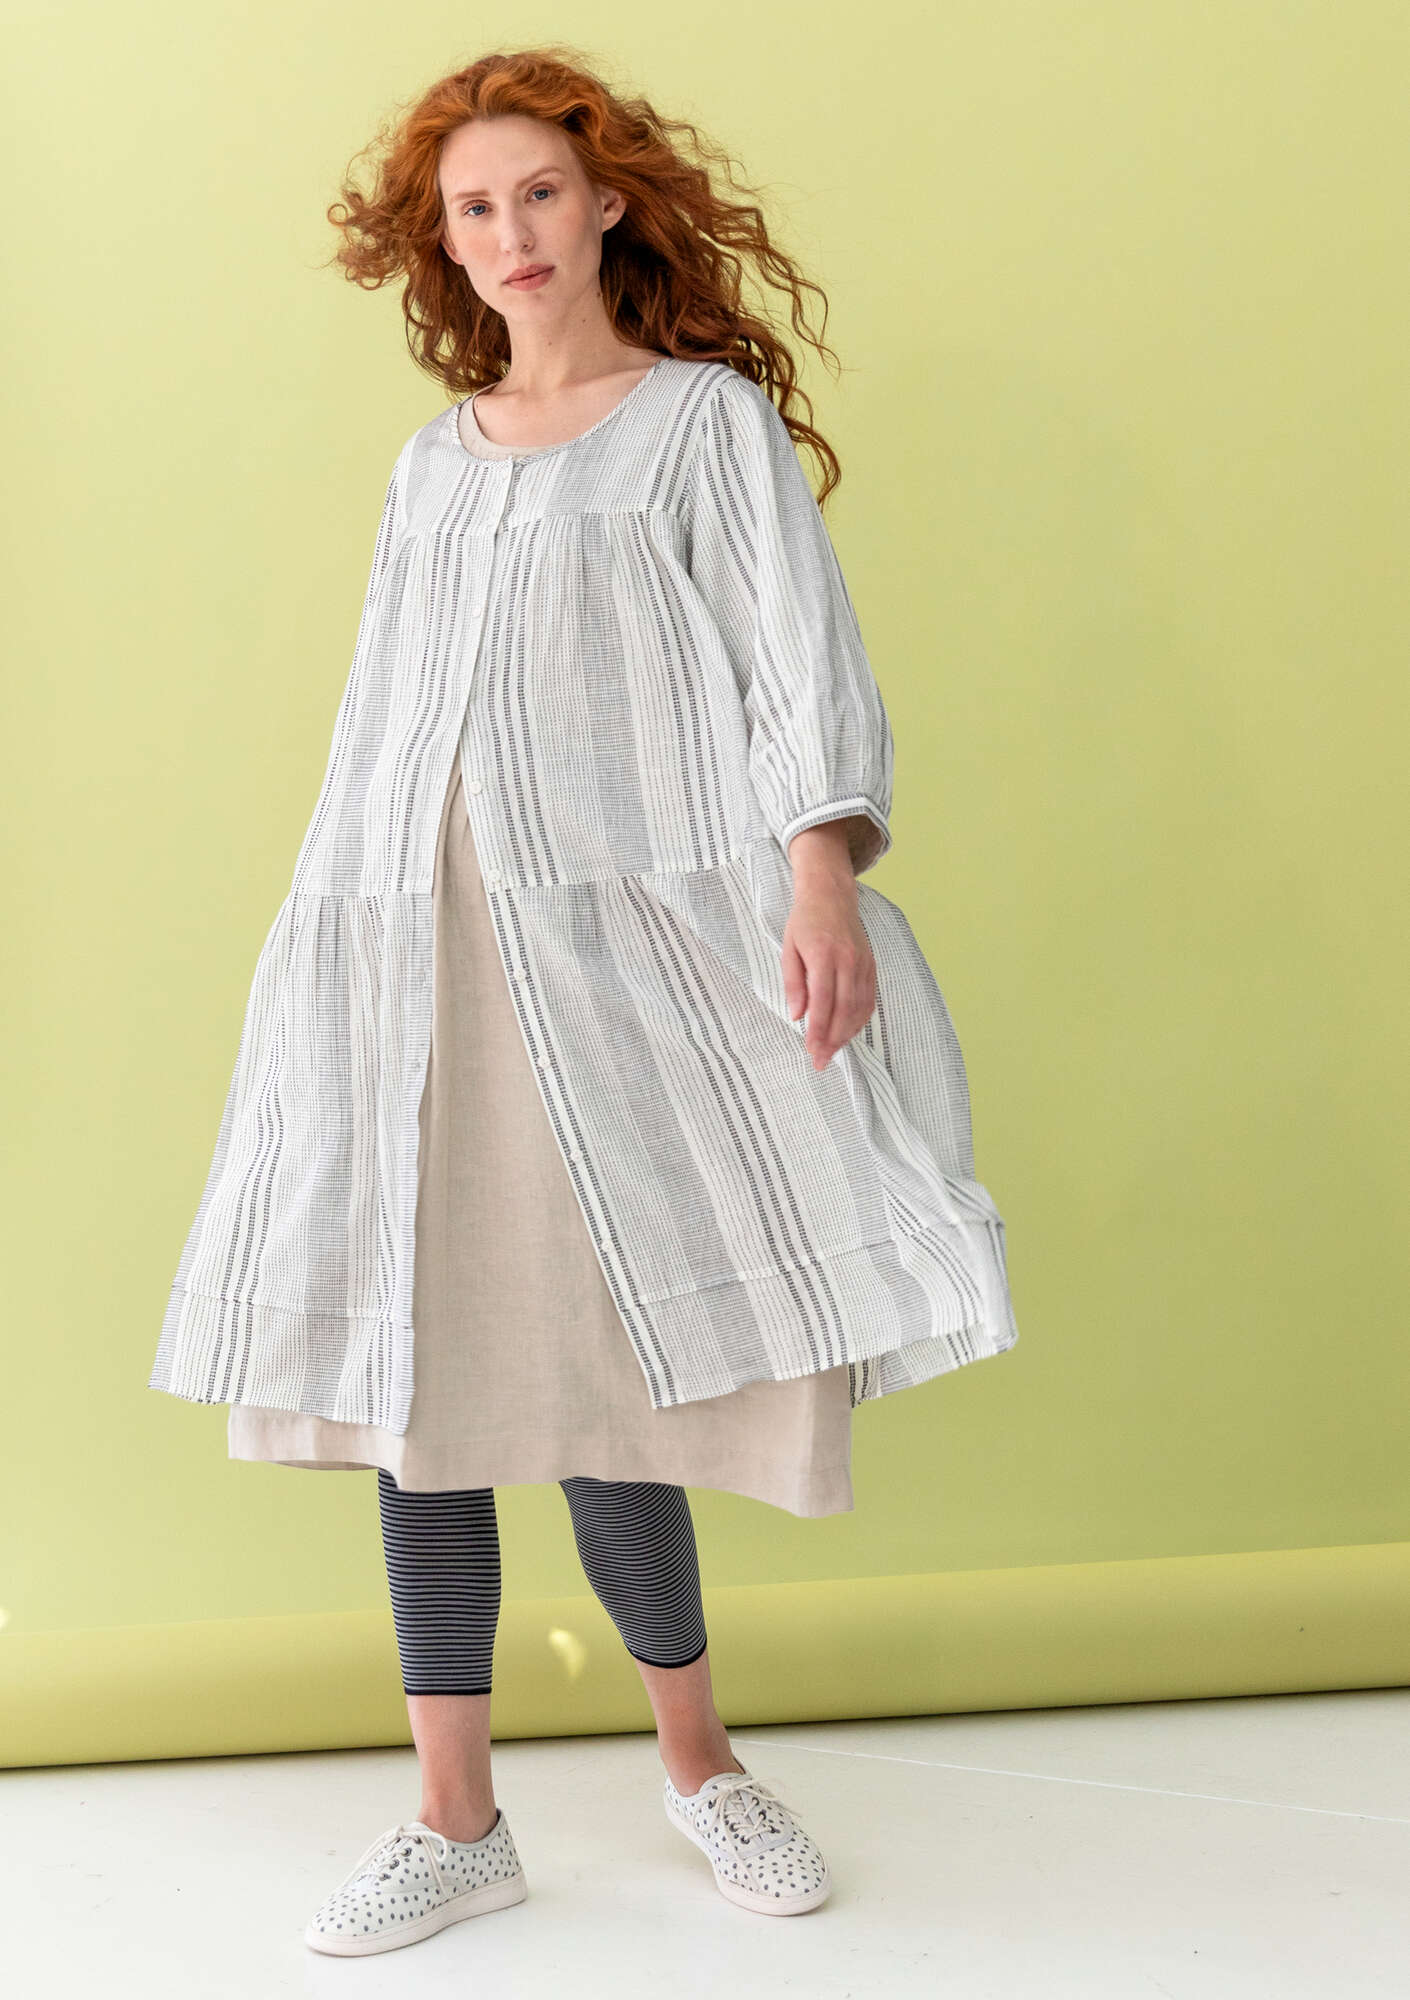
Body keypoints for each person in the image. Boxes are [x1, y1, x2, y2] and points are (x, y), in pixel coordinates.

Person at [147, 45, 1020, 1957]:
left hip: (618, 962)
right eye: (473, 208)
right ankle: (454, 1820)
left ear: (606, 200)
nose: (510, 231)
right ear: (443, 245)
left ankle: (701, 1766)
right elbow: (380, 729)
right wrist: (326, 958)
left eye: (537, 190)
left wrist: (818, 874)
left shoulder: (697, 425)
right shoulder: (430, 466)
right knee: (421, 1387)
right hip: (414, 955)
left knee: (619, 1374)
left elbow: (796, 657)